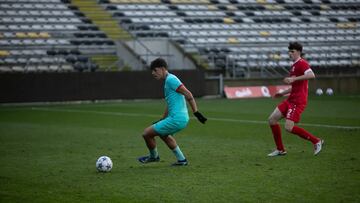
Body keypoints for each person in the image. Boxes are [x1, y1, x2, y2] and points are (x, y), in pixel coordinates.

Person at [138, 58, 207, 166]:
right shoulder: (169, 80)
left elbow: (188, 94)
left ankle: (154, 157)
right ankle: (182, 160)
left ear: (162, 68)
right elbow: (170, 104)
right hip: (180, 118)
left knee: (146, 134)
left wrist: (196, 112)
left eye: (155, 70)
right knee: (164, 135)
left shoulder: (171, 79)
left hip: (177, 118)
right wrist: (162, 118)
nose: (153, 73)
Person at [267, 42, 324, 157]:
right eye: (289, 51)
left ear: (298, 52)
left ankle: (316, 141)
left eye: (292, 51)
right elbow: (295, 86)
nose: (290, 53)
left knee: (289, 127)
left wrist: (294, 79)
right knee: (272, 120)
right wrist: (282, 93)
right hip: (290, 99)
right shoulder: (294, 66)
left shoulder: (302, 63)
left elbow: (311, 75)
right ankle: (280, 150)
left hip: (298, 101)